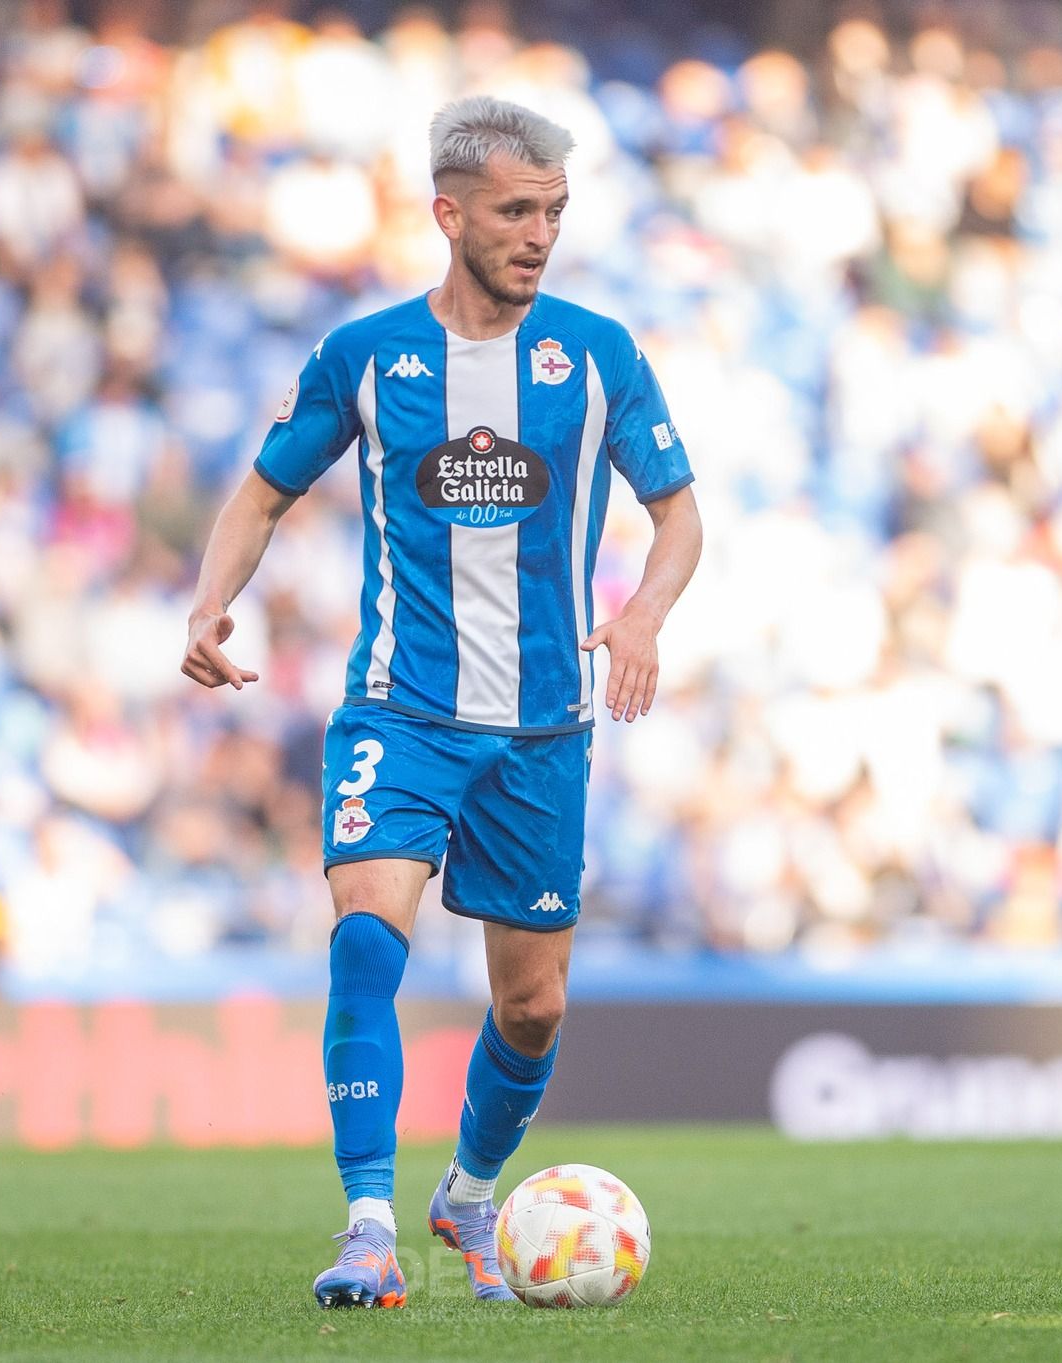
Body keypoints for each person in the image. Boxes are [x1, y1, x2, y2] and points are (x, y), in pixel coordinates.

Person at [180, 95, 702, 1308]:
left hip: (541, 728)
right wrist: (211, 603)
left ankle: (465, 1201)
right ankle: (367, 1224)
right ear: (446, 212)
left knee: (533, 1004)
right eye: (516, 211)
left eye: (553, 213)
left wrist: (639, 616)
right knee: (366, 936)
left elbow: (677, 515)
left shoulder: (597, 354)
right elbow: (261, 493)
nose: (538, 235)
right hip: (398, 713)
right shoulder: (363, 357)